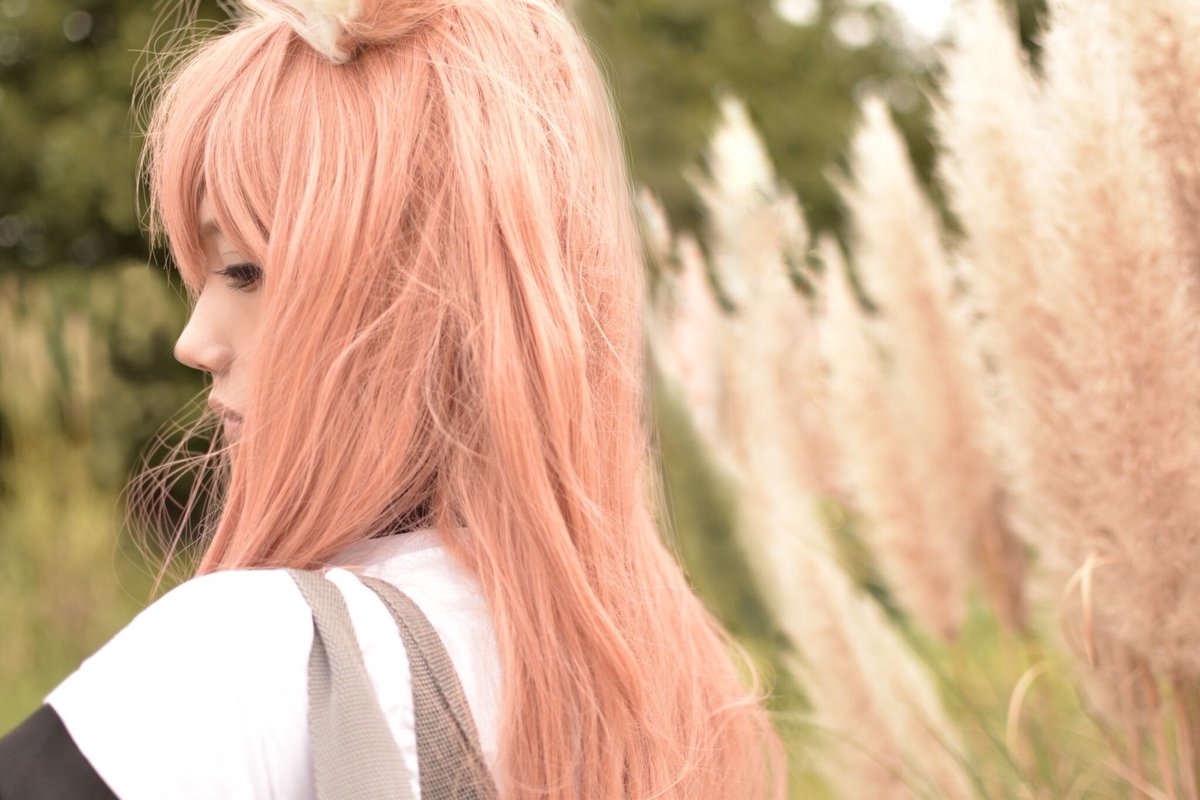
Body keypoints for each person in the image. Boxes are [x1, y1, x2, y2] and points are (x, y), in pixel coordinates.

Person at [0, 0, 786, 797]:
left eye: (243, 270)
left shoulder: (255, 658)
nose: (194, 341)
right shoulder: (678, 692)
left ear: (408, 299)